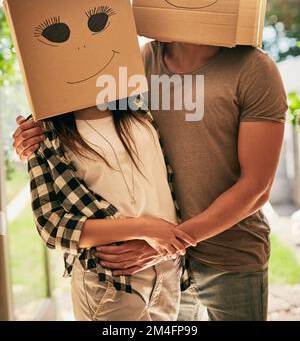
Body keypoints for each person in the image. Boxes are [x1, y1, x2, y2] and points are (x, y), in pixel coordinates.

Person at [13, 42, 287, 321]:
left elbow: (256, 187)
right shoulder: (142, 63)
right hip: (158, 268)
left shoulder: (253, 68)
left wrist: (161, 243)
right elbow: (89, 121)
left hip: (226, 255)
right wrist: (31, 138)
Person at [22, 99, 196, 321]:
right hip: (112, 280)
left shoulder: (136, 103)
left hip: (165, 267)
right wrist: (144, 228)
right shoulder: (42, 130)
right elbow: (51, 225)